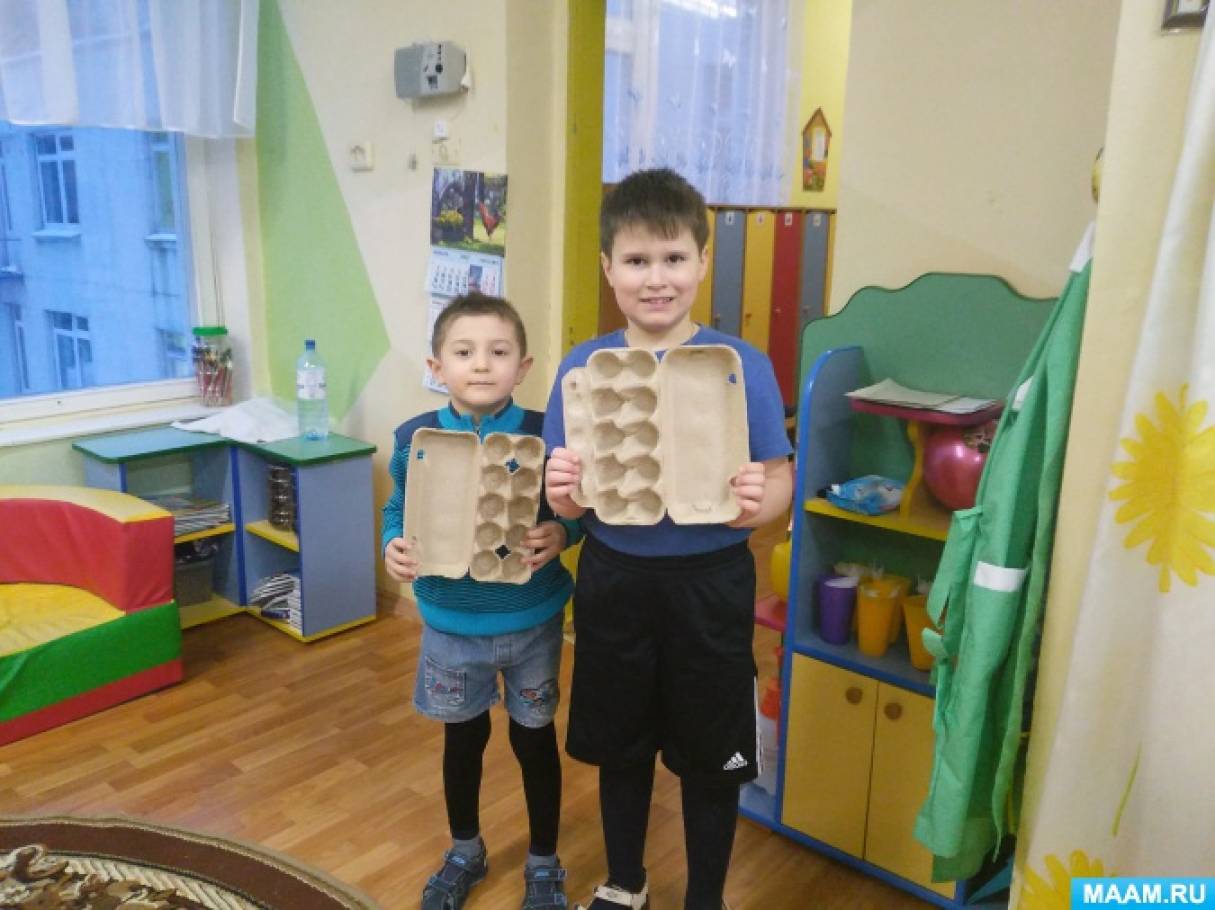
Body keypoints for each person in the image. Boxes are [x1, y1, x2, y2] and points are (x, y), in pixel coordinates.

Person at [543, 169, 794, 910]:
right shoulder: (582, 370)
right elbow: (567, 501)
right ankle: (625, 881)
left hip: (710, 584)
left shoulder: (740, 366)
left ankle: (705, 898)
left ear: (702, 261)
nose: (656, 279)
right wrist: (561, 489)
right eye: (637, 260)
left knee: (712, 755)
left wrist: (760, 504)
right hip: (614, 578)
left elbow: (779, 478)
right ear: (608, 268)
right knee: (621, 745)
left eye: (674, 258)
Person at [383, 293, 581, 910]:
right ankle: (465, 849)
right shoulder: (414, 438)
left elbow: (575, 509)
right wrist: (392, 545)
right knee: (462, 743)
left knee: (534, 741)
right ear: (436, 366)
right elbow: (398, 509)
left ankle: (543, 860)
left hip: (532, 622)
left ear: (522, 367)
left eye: (498, 352)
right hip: (450, 627)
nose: (481, 364)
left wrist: (563, 533)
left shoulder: (545, 433)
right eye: (464, 352)